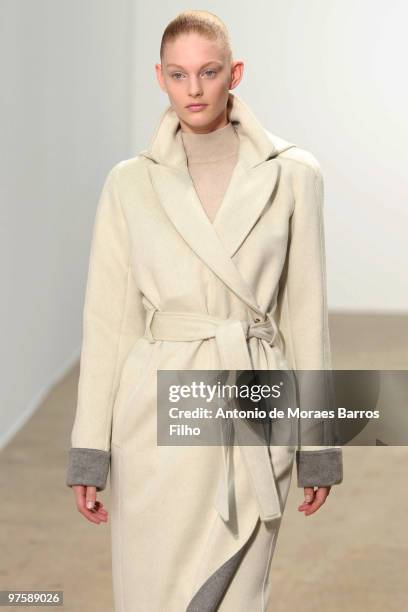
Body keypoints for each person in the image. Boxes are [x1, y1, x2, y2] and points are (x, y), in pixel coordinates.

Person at [66, 10, 343, 612]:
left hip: (253, 393)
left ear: (233, 73)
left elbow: (304, 314)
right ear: (160, 78)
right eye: (178, 74)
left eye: (208, 71)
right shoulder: (128, 184)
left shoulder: (294, 174)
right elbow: (109, 323)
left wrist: (318, 445)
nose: (193, 89)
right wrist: (91, 447)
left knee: (238, 594)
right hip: (155, 413)